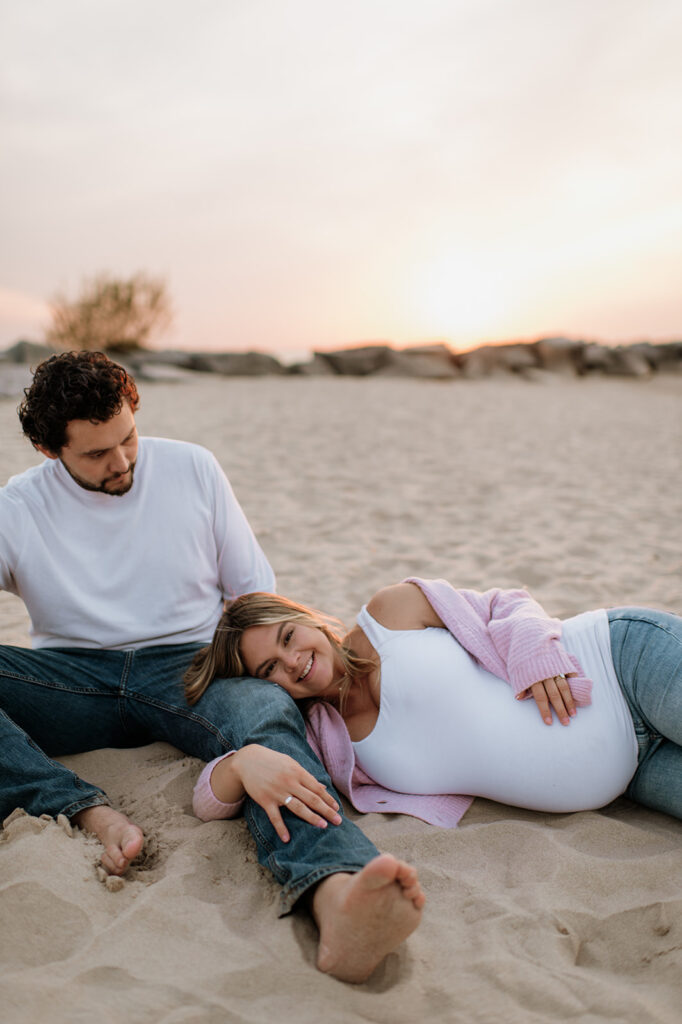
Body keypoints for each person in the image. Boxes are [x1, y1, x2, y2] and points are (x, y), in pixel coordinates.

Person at [0, 351, 423, 984]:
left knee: (267, 724)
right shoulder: (18, 507)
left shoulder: (192, 467)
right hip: (74, 677)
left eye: (128, 439)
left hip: (192, 668)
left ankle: (334, 892)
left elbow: (251, 595)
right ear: (46, 448)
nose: (121, 463)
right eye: (95, 455)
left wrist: (262, 677)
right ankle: (86, 809)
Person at [184, 579, 682, 825]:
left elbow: (504, 603)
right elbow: (209, 802)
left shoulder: (390, 613)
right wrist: (243, 761)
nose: (291, 662)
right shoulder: (326, 744)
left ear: (307, 619)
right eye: (270, 668)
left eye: (289, 637)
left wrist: (535, 651)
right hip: (634, 771)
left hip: (622, 662)